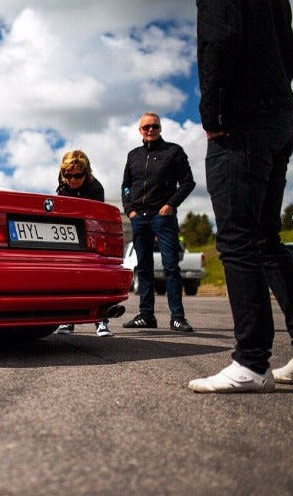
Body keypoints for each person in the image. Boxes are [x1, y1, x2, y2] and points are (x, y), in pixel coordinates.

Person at [188, 0, 293, 393]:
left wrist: (214, 113)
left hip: (240, 121)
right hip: (279, 115)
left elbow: (220, 36)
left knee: (238, 237)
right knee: (265, 239)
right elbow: (287, 47)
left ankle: (252, 361)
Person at [121, 112, 196, 333]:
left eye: (154, 126)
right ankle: (146, 315)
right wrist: (130, 210)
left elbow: (188, 182)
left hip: (162, 217)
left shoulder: (173, 152)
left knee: (171, 266)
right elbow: (126, 186)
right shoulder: (133, 155)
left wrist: (170, 205)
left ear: (160, 128)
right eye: (146, 127)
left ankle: (177, 318)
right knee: (143, 268)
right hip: (139, 218)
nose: (150, 130)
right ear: (140, 131)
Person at [52, 150, 112, 337]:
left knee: (96, 279)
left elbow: (96, 221)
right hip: (68, 237)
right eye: (68, 175)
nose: (72, 180)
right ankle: (67, 320)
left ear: (86, 173)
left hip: (90, 236)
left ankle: (101, 321)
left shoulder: (96, 189)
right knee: (67, 279)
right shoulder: (63, 186)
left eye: (77, 176)